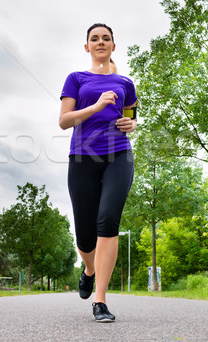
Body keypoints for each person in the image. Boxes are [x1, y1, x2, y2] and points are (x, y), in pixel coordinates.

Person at [59, 23, 138, 322]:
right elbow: (64, 121)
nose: (100, 42)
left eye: (106, 38)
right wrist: (95, 105)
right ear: (87, 47)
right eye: (95, 38)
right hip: (82, 157)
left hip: (119, 153)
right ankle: (89, 270)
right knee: (85, 235)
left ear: (113, 46)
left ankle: (100, 300)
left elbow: (129, 117)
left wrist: (131, 124)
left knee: (108, 220)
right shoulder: (76, 79)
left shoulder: (125, 83)